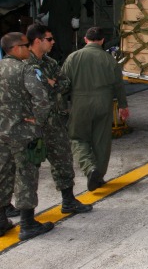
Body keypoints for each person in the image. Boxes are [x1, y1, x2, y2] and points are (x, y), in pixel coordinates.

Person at [25, 24, 92, 214]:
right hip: (33, 124)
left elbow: (64, 83)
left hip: (54, 122)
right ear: (37, 41)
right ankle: (19, 211)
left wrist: (49, 84)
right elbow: (32, 92)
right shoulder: (24, 65)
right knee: (27, 168)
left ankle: (68, 201)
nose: (53, 42)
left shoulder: (50, 63)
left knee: (62, 160)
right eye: (49, 39)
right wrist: (49, 84)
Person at [0, 32, 54, 240]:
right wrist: (38, 119)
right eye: (24, 45)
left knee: (3, 174)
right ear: (15, 49)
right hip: (23, 133)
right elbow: (41, 98)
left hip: (2, 132)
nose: (27, 48)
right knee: (26, 175)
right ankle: (27, 224)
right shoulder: (25, 69)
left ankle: (1, 221)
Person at [60, 27, 129, 192]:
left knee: (77, 137)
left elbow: (62, 85)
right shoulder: (109, 59)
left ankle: (89, 168)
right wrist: (122, 106)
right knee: (102, 141)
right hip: (103, 103)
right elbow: (118, 85)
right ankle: (99, 176)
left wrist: (62, 108)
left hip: (80, 102)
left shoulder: (72, 58)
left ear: (85, 39)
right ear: (102, 40)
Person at [39, 0, 81, 64]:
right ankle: (53, 64)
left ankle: (65, 64)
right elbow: (46, 2)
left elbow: (76, 4)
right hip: (53, 23)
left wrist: (76, 17)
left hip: (65, 23)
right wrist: (42, 12)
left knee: (65, 46)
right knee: (53, 46)